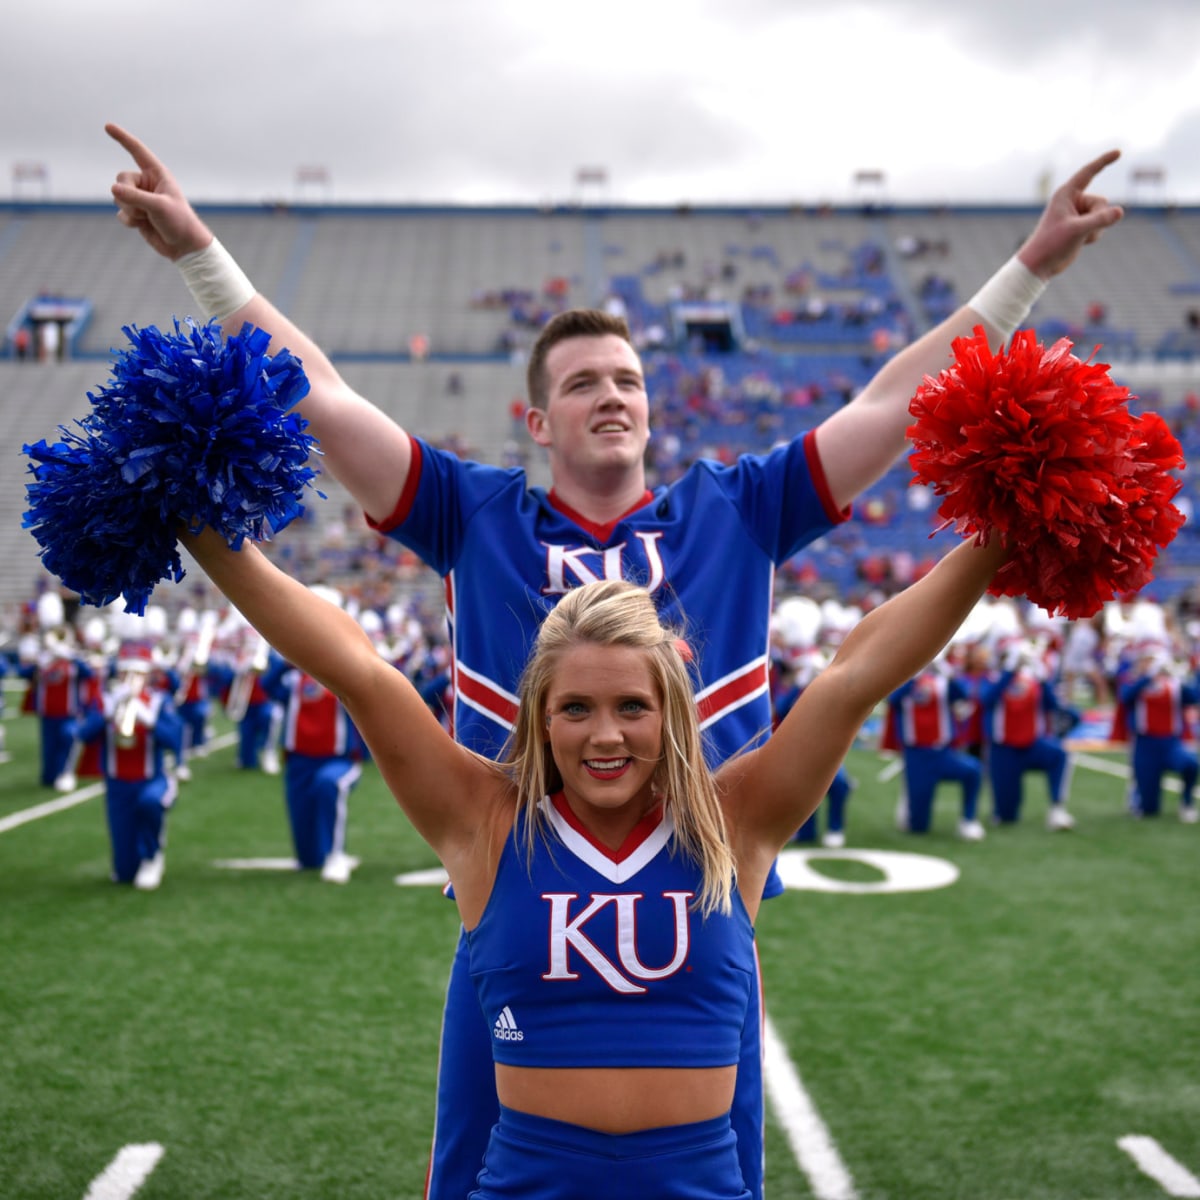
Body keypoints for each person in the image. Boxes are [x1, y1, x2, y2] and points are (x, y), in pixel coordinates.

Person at [105, 122, 1124, 1199]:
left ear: (652, 409)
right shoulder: (473, 512)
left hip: (707, 877)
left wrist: (1030, 269)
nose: (612, 393)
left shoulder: (736, 508)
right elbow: (316, 391)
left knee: (723, 1172)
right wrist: (200, 257)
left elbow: (891, 403)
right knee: (467, 1172)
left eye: (628, 379)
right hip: (519, 880)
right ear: (538, 419)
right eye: (583, 380)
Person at [179, 515, 1008, 1198]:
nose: (605, 735)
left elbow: (853, 676)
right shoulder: (486, 822)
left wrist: (1000, 531)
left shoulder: (734, 820)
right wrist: (201, 530)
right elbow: (357, 671)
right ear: (541, 718)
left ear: (671, 714)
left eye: (631, 707)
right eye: (575, 707)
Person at [1118, 644, 1200, 822]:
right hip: (1145, 746)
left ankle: (1187, 803)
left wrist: (1184, 676)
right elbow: (1125, 698)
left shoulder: (1174, 684)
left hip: (1170, 743)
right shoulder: (1134, 680)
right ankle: (1139, 794)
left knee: (1190, 764)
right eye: (1147, 659)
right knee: (1149, 811)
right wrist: (1147, 676)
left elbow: (1194, 697)